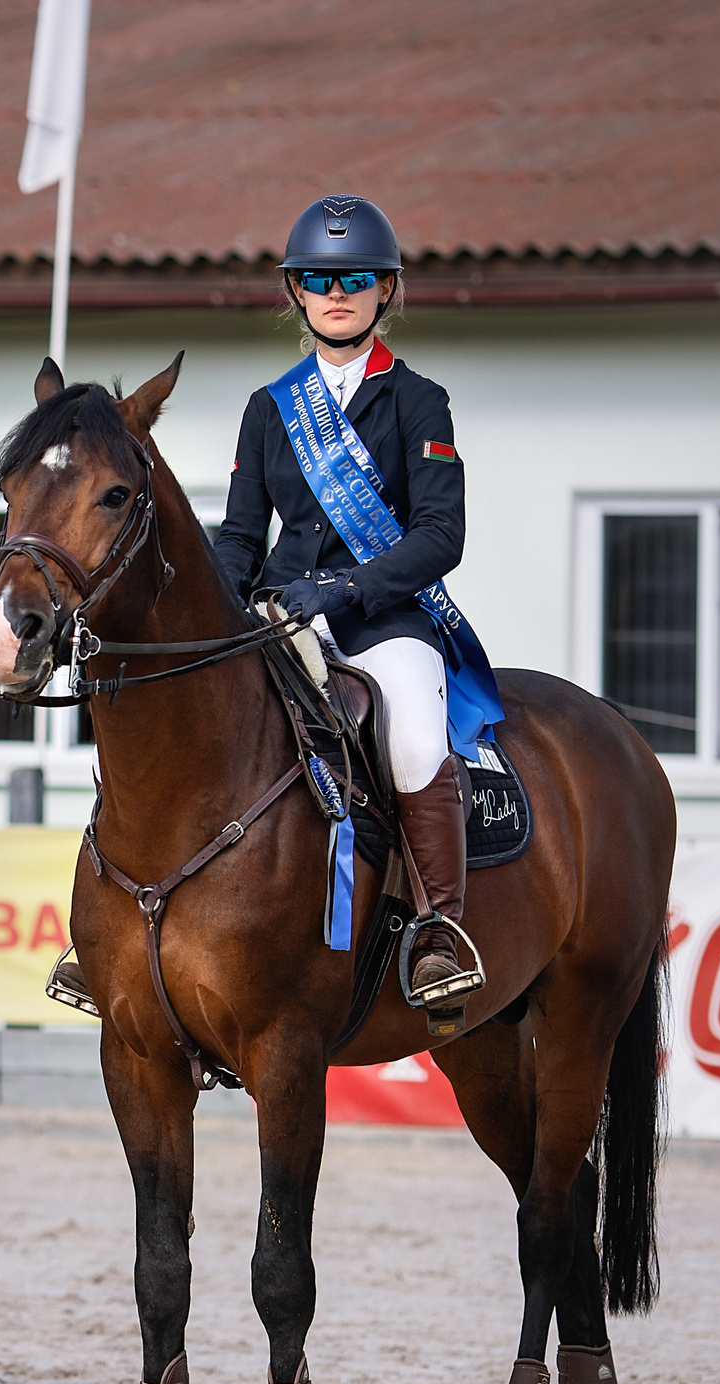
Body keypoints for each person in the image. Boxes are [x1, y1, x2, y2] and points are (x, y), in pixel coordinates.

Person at [214, 194, 502, 1010]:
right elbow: (240, 537)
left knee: (413, 734)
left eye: (357, 276)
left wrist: (345, 587)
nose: (338, 291)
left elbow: (440, 536)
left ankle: (441, 930)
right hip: (281, 624)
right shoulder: (270, 409)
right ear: (297, 291)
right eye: (319, 276)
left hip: (383, 625)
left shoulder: (420, 401)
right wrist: (215, 600)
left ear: (386, 290)